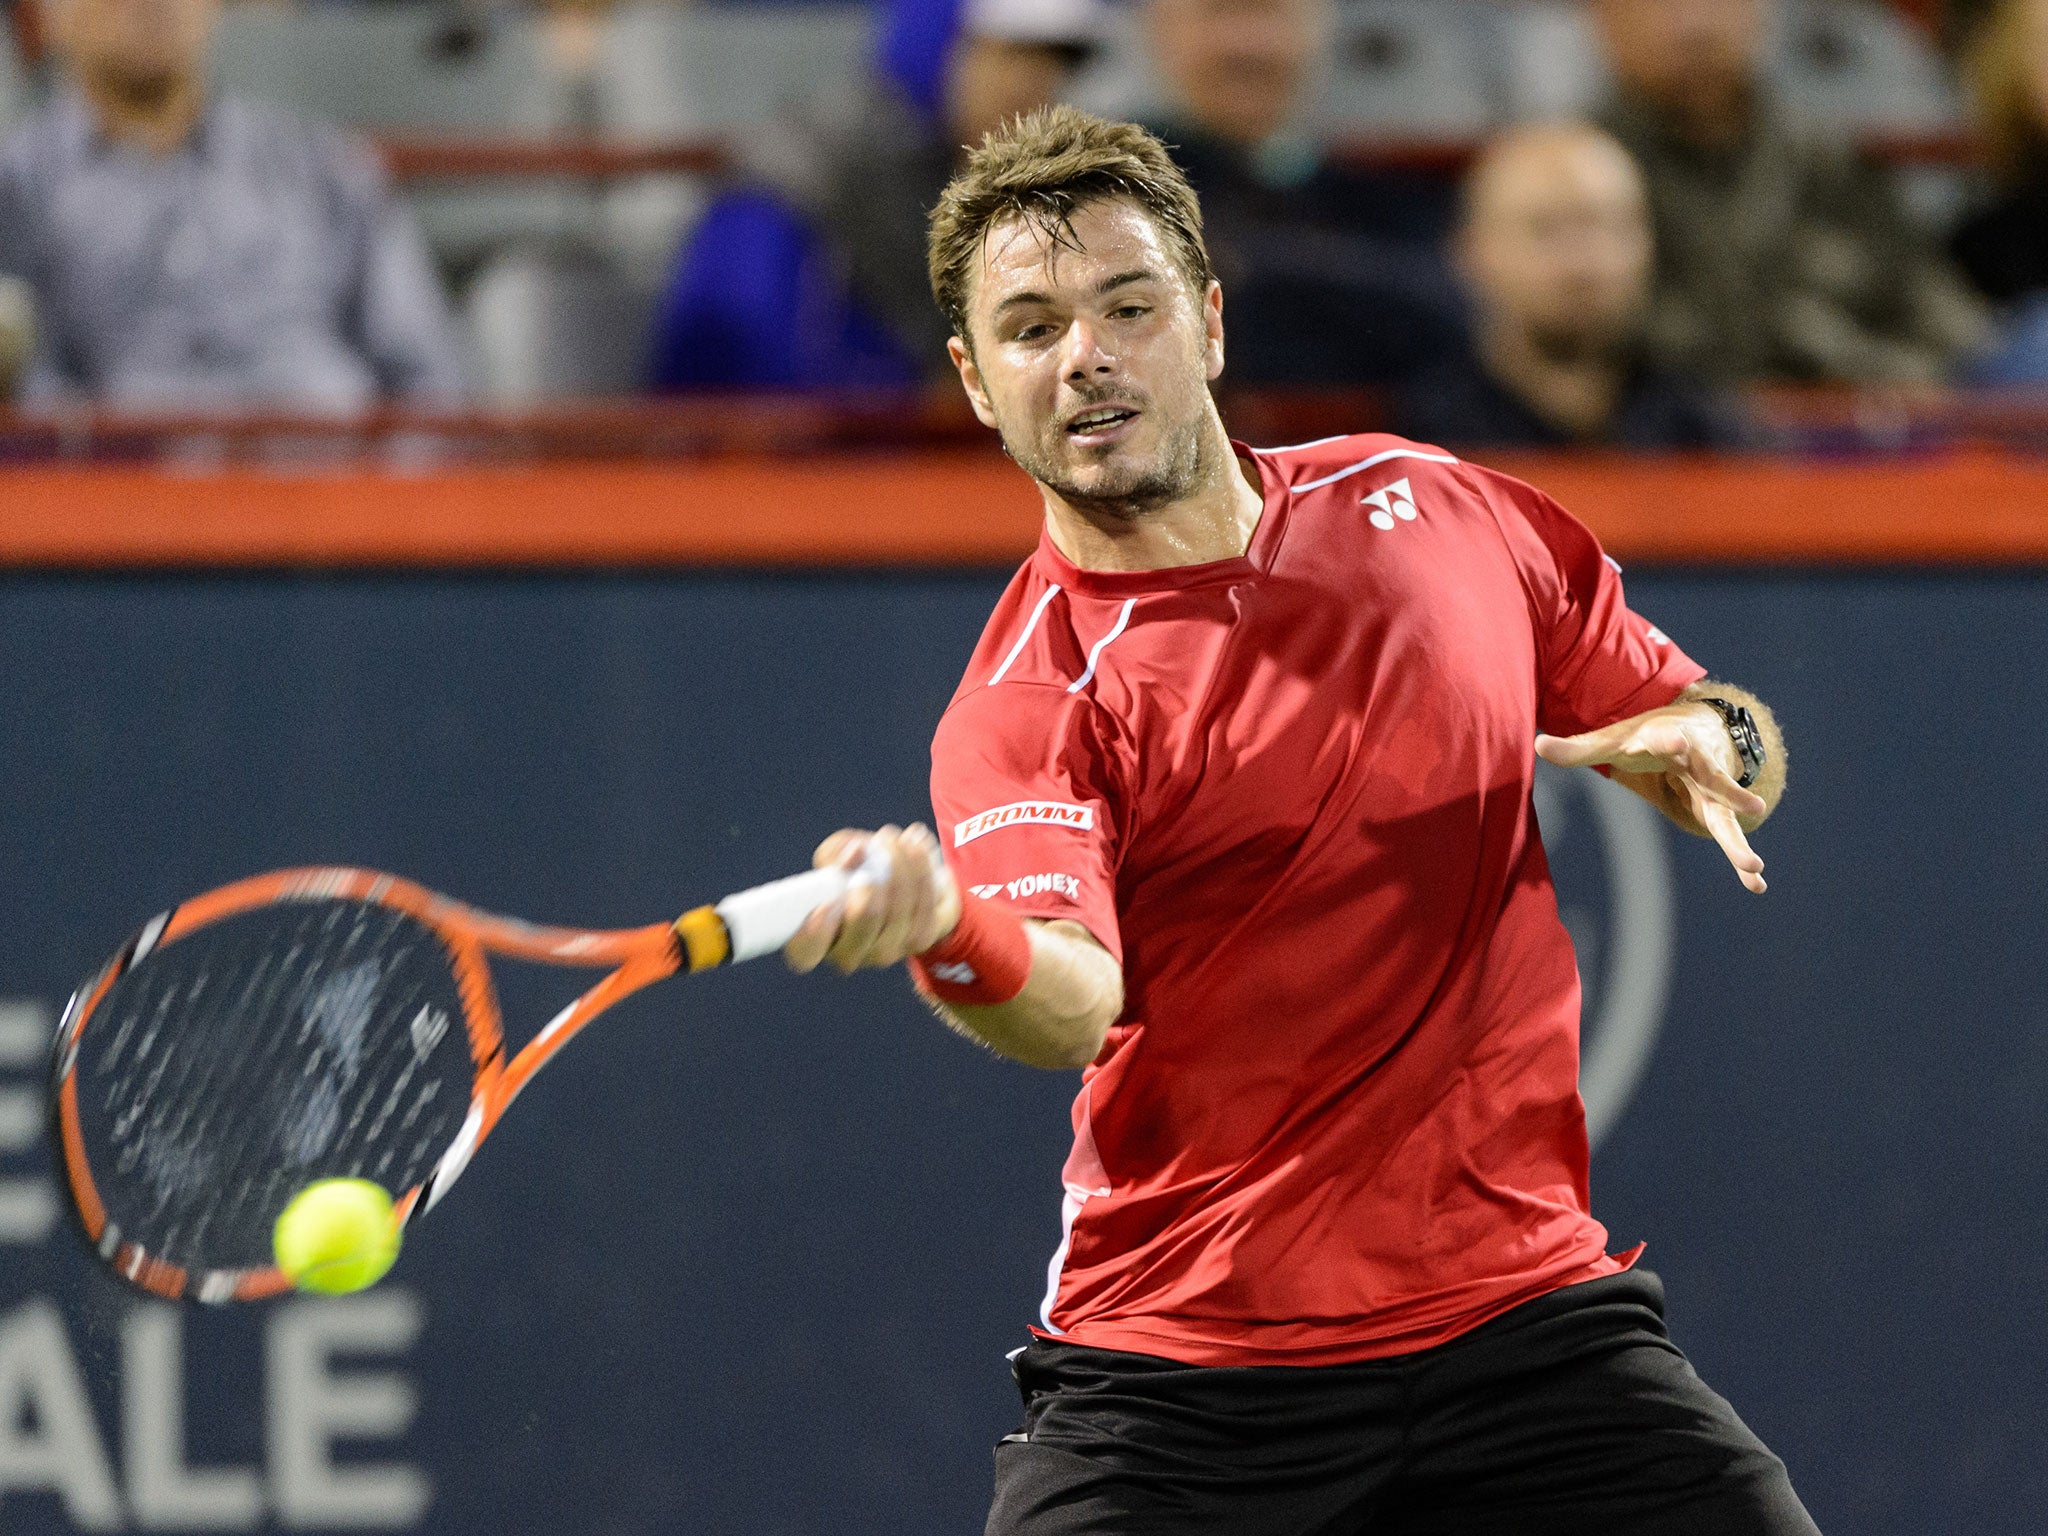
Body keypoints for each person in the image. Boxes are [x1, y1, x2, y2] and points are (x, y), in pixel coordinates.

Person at [779, 106, 1812, 1533]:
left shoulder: (1438, 510)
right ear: (972, 379)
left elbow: (1729, 732)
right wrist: (953, 930)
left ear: (1205, 324)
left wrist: (1712, 740)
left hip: (1528, 1324)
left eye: (1126, 307)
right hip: (1189, 1377)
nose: (1085, 356)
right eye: (1029, 328)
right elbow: (1070, 1003)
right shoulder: (1030, 703)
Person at [0, 0, 464, 409]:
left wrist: (398, 497)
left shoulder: (324, 165)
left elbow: (429, 383)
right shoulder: (18, 187)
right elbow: (35, 407)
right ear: (44, 12)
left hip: (340, 481)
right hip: (136, 490)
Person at [647, 0, 1101, 390]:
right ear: (938, 42)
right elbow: (731, 403)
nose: (1034, 86)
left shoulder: (995, 190)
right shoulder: (787, 198)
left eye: (1054, 62)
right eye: (1011, 55)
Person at [1594, 0, 1984, 387]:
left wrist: (1887, 376)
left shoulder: (1825, 159)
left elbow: (1947, 324)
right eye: (1660, 6)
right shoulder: (1578, 182)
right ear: (1604, 20)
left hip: (1847, 430)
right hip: (1657, 440)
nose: (1694, 26)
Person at [1127, 0, 1462, 386]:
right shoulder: (1115, 188)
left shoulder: (1390, 197)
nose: (1247, 45)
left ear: (1318, 31)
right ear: (1159, 33)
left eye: (1268, 13)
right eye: (1217, 13)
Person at [1395, 123, 1746, 450]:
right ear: (1471, 252)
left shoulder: (1714, 439)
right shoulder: (1423, 453)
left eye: (1609, 227)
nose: (1584, 262)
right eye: (1545, 229)